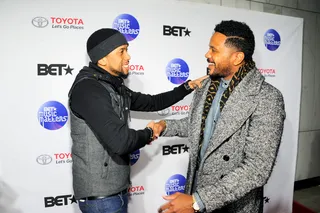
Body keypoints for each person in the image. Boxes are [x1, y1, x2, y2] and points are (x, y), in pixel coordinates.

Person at [67, 28, 208, 213]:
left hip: (113, 191)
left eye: (127, 49)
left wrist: (187, 87)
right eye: (121, 51)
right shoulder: (89, 90)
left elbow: (152, 102)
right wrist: (149, 133)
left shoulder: (112, 86)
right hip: (101, 197)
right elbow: (121, 142)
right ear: (102, 59)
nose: (128, 57)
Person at [155, 20, 286, 213]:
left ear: (237, 57)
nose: (207, 55)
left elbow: (256, 169)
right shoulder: (207, 86)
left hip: (230, 203)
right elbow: (198, 125)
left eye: (213, 50)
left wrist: (198, 201)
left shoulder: (266, 98)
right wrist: (164, 126)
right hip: (196, 189)